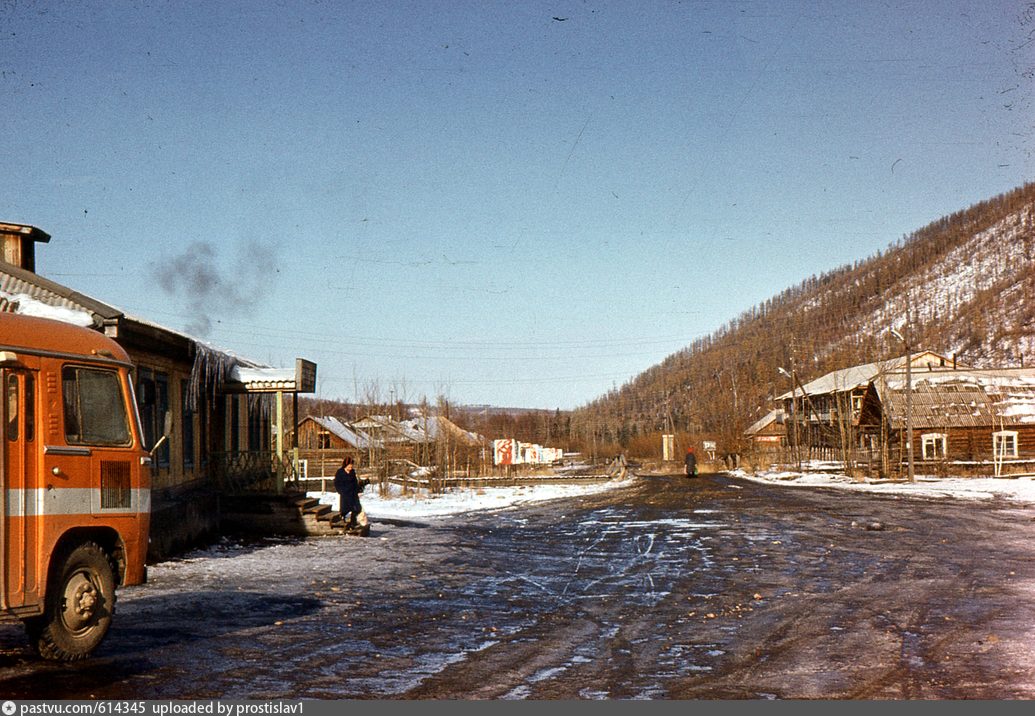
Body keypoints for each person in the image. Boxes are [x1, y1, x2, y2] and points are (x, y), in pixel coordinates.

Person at [334, 456, 368, 535]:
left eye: (351, 466)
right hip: (345, 493)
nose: (350, 468)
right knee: (345, 508)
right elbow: (336, 483)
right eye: (349, 466)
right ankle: (343, 520)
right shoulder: (340, 472)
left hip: (353, 493)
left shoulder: (352, 472)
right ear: (345, 465)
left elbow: (355, 482)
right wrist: (340, 491)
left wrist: (357, 490)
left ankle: (353, 522)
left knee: (357, 508)